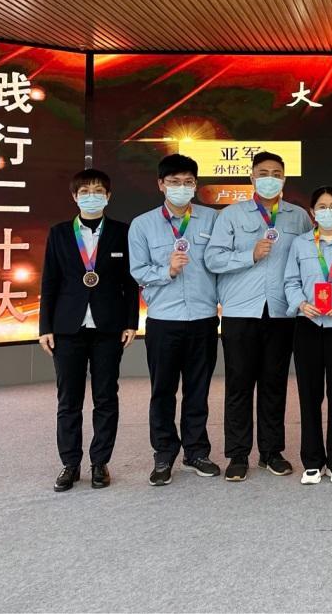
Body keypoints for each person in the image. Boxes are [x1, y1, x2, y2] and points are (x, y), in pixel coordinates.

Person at [205, 151, 312, 482]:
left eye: (276, 173)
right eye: (263, 173)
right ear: (252, 177)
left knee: (274, 383)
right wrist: (248, 255)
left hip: (281, 311)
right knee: (239, 384)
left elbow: (310, 258)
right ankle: (238, 455)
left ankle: (271, 452)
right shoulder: (231, 215)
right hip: (241, 310)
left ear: (284, 179)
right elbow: (212, 259)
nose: (270, 178)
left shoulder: (298, 217)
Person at [39, 169, 139, 492]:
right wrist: (45, 327)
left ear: (108, 197)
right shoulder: (59, 233)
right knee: (68, 399)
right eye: (85, 191)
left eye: (98, 191)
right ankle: (70, 464)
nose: (91, 196)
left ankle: (100, 462)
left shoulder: (122, 232)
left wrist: (131, 322)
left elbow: (130, 282)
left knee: (106, 397)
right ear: (75, 197)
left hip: (108, 327)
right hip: (67, 328)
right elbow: (49, 282)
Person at [128, 154, 220, 486]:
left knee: (198, 389)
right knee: (163, 390)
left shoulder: (212, 219)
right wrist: (166, 271)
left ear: (196, 185)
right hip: (164, 319)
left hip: (204, 318)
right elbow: (137, 271)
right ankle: (164, 453)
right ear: (161, 185)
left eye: (188, 182)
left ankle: (196, 452)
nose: (182, 188)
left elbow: (221, 264)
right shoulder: (142, 224)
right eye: (174, 182)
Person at [284, 186, 332, 485]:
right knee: (309, 396)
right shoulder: (300, 244)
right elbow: (290, 281)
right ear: (312, 212)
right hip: (308, 326)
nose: (327, 211)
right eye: (321, 206)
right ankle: (313, 462)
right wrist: (300, 304)